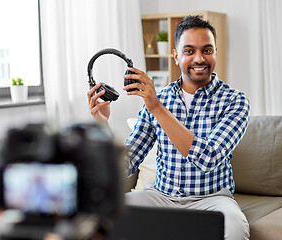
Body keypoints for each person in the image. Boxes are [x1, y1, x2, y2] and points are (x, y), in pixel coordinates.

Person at [87, 15, 250, 240]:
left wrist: (157, 108)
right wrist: (102, 124)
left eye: (207, 50)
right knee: (96, 213)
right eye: (189, 51)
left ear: (215, 52)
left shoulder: (235, 101)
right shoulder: (158, 98)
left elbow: (208, 158)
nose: (199, 58)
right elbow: (126, 163)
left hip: (212, 199)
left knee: (236, 227)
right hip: (160, 196)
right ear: (176, 56)